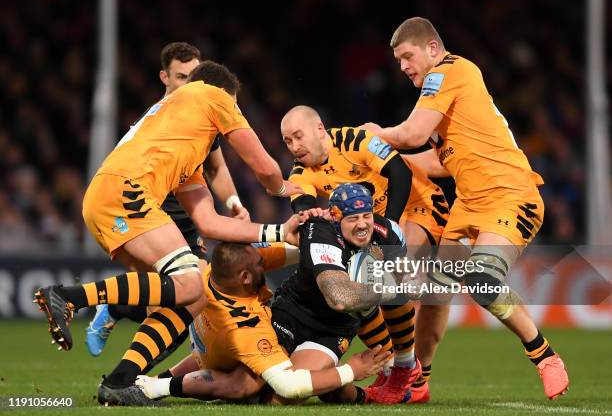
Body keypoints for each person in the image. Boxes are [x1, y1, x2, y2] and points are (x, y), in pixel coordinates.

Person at [34, 60, 303, 404]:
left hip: (112, 194)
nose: (229, 120)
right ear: (225, 95)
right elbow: (265, 168)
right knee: (191, 280)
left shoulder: (184, 147)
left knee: (193, 296)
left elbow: (209, 223)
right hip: (126, 192)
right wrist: (289, 190)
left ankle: (119, 381)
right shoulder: (211, 93)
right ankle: (70, 297)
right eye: (232, 108)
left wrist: (281, 232)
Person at [360, 16, 569, 400]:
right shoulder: (444, 99)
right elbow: (439, 163)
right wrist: (383, 158)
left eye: (408, 56)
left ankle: (544, 355)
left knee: (481, 279)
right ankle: (417, 382)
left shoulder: (450, 71)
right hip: (469, 204)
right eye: (399, 61)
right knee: (437, 294)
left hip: (510, 195)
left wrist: (371, 136)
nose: (403, 67)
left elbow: (412, 134)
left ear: (432, 50)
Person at [85, 42, 248, 360]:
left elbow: (216, 167)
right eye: (182, 76)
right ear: (165, 78)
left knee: (191, 294)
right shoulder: (157, 118)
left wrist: (232, 202)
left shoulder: (201, 115)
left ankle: (126, 342)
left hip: (187, 211)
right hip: (149, 206)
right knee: (188, 295)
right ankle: (131, 365)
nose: (191, 84)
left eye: (194, 76)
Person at [280, 105, 449, 403]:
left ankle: (408, 370)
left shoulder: (354, 140)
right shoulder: (299, 170)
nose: (294, 147)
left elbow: (399, 172)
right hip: (368, 224)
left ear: (320, 129)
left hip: (415, 206)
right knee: (362, 289)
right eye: (287, 141)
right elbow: (303, 205)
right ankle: (398, 368)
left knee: (400, 282)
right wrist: (310, 213)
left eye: (298, 136)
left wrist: (392, 226)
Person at [134, 241, 389, 405]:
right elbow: (290, 386)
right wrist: (351, 371)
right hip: (225, 354)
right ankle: (158, 387)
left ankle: (147, 383)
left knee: (246, 373)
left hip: (211, 352)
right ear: (245, 277)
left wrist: (327, 244)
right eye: (259, 264)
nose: (263, 263)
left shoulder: (208, 275)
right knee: (267, 396)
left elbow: (301, 251)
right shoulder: (247, 328)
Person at [269, 182, 420, 404]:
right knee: (252, 384)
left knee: (283, 397)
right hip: (293, 314)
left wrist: (409, 279)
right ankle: (348, 378)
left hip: (333, 330)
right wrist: (392, 286)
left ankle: (401, 368)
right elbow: (339, 297)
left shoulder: (389, 233)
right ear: (336, 218)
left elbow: (408, 281)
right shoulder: (320, 231)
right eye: (352, 219)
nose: (362, 225)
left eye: (366, 216)